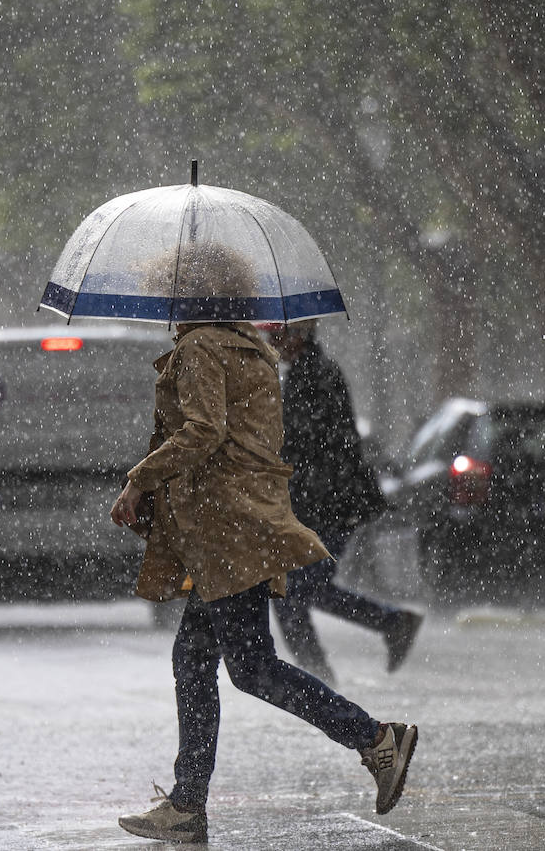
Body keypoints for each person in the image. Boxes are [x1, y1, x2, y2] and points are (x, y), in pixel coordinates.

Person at [110, 316, 418, 845]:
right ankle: (189, 801)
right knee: (209, 662)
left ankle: (374, 737)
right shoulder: (250, 348)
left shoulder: (202, 345)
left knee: (249, 668)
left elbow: (204, 431)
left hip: (224, 534)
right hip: (238, 529)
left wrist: (141, 478)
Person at [267, 320, 423, 683]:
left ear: (300, 335)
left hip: (330, 504)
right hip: (323, 503)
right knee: (294, 590)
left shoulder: (315, 376)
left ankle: (318, 682)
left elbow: (308, 446)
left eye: (278, 335)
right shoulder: (304, 375)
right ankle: (324, 676)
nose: (272, 342)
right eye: (269, 336)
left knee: (293, 590)